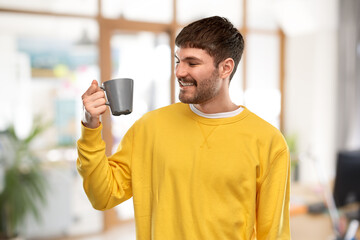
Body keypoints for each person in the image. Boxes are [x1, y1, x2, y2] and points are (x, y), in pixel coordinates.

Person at [77, 16, 291, 240]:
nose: (179, 72)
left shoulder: (268, 142)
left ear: (225, 67)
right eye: (178, 61)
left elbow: (273, 234)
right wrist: (90, 126)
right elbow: (102, 196)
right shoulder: (149, 128)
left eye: (192, 63)